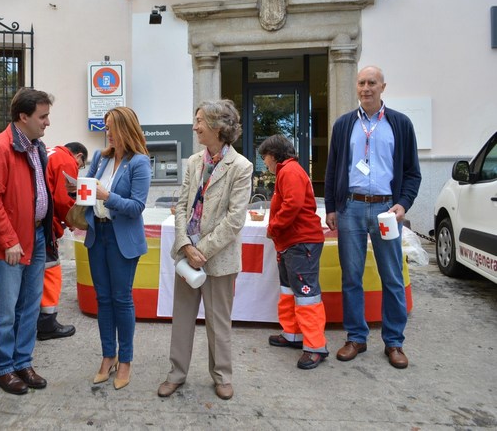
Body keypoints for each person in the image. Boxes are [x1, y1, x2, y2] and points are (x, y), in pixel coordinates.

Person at [324, 66, 421, 369]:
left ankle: (394, 342)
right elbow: (332, 169)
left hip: (386, 210)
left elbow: (412, 173)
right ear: (357, 87)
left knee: (391, 276)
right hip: (350, 207)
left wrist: (403, 204)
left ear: (383, 87)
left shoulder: (400, 124)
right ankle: (356, 337)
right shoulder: (343, 125)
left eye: (372, 83)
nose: (366, 88)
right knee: (351, 276)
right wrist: (330, 207)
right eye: (361, 83)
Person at [158, 99, 252, 401]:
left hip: (218, 258)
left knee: (219, 322)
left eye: (199, 120)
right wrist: (185, 243)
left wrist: (203, 250)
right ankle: (176, 374)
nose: (195, 126)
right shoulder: (194, 161)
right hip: (188, 254)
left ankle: (222, 376)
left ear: (218, 126)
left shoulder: (241, 166)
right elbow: (183, 204)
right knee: (182, 318)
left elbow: (235, 219)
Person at [0, 88, 56, 395]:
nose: (47, 122)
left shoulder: (37, 147)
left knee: (29, 306)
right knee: (6, 309)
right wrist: (10, 240)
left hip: (35, 235)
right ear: (24, 117)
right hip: (8, 242)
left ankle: (23, 361)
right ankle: (3, 368)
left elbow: (40, 192)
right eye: (43, 116)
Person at [75, 107, 151, 390]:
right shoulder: (100, 157)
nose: (106, 132)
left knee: (121, 300)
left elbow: (137, 207)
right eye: (105, 127)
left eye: (110, 127)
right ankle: (108, 356)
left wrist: (108, 196)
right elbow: (87, 188)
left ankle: (126, 360)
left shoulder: (140, 162)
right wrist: (78, 190)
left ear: (124, 129)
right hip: (98, 235)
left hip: (122, 240)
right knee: (102, 299)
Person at [258, 134, 328, 370]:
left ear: (273, 154)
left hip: (300, 242)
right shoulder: (289, 171)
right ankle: (293, 334)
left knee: (306, 295)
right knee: (290, 290)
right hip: (293, 242)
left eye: (265, 157)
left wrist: (274, 227)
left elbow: (292, 205)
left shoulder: (289, 171)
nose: (264, 163)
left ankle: (315, 346)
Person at [36, 141, 88, 341]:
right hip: (45, 225)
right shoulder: (67, 161)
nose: (78, 169)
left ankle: (33, 321)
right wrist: (74, 220)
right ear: (79, 156)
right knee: (51, 271)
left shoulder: (51, 152)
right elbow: (63, 198)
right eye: (81, 166)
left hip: (35, 221)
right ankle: (47, 324)